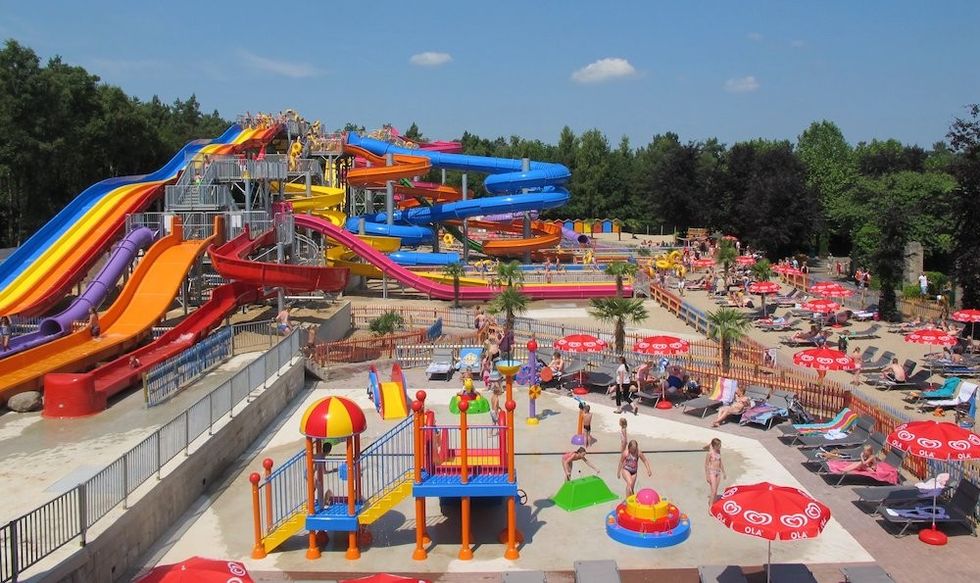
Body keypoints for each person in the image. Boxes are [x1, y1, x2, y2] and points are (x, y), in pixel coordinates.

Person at [704, 438, 726, 506]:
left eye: (720, 445)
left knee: (715, 490)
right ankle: (710, 507)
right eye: (719, 445)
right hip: (712, 472)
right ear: (715, 446)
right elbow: (706, 465)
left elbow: (720, 462)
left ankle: (714, 502)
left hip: (718, 472)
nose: (720, 446)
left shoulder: (718, 451)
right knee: (713, 491)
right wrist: (707, 476)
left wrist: (724, 472)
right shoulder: (710, 453)